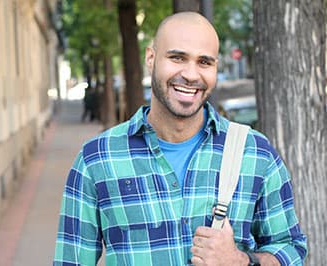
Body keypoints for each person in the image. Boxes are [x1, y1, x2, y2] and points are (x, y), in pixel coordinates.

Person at [53, 12, 307, 266]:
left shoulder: (255, 154)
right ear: (151, 59)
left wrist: (241, 261)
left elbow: (292, 251)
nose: (191, 74)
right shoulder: (96, 159)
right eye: (177, 58)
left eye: (204, 62)